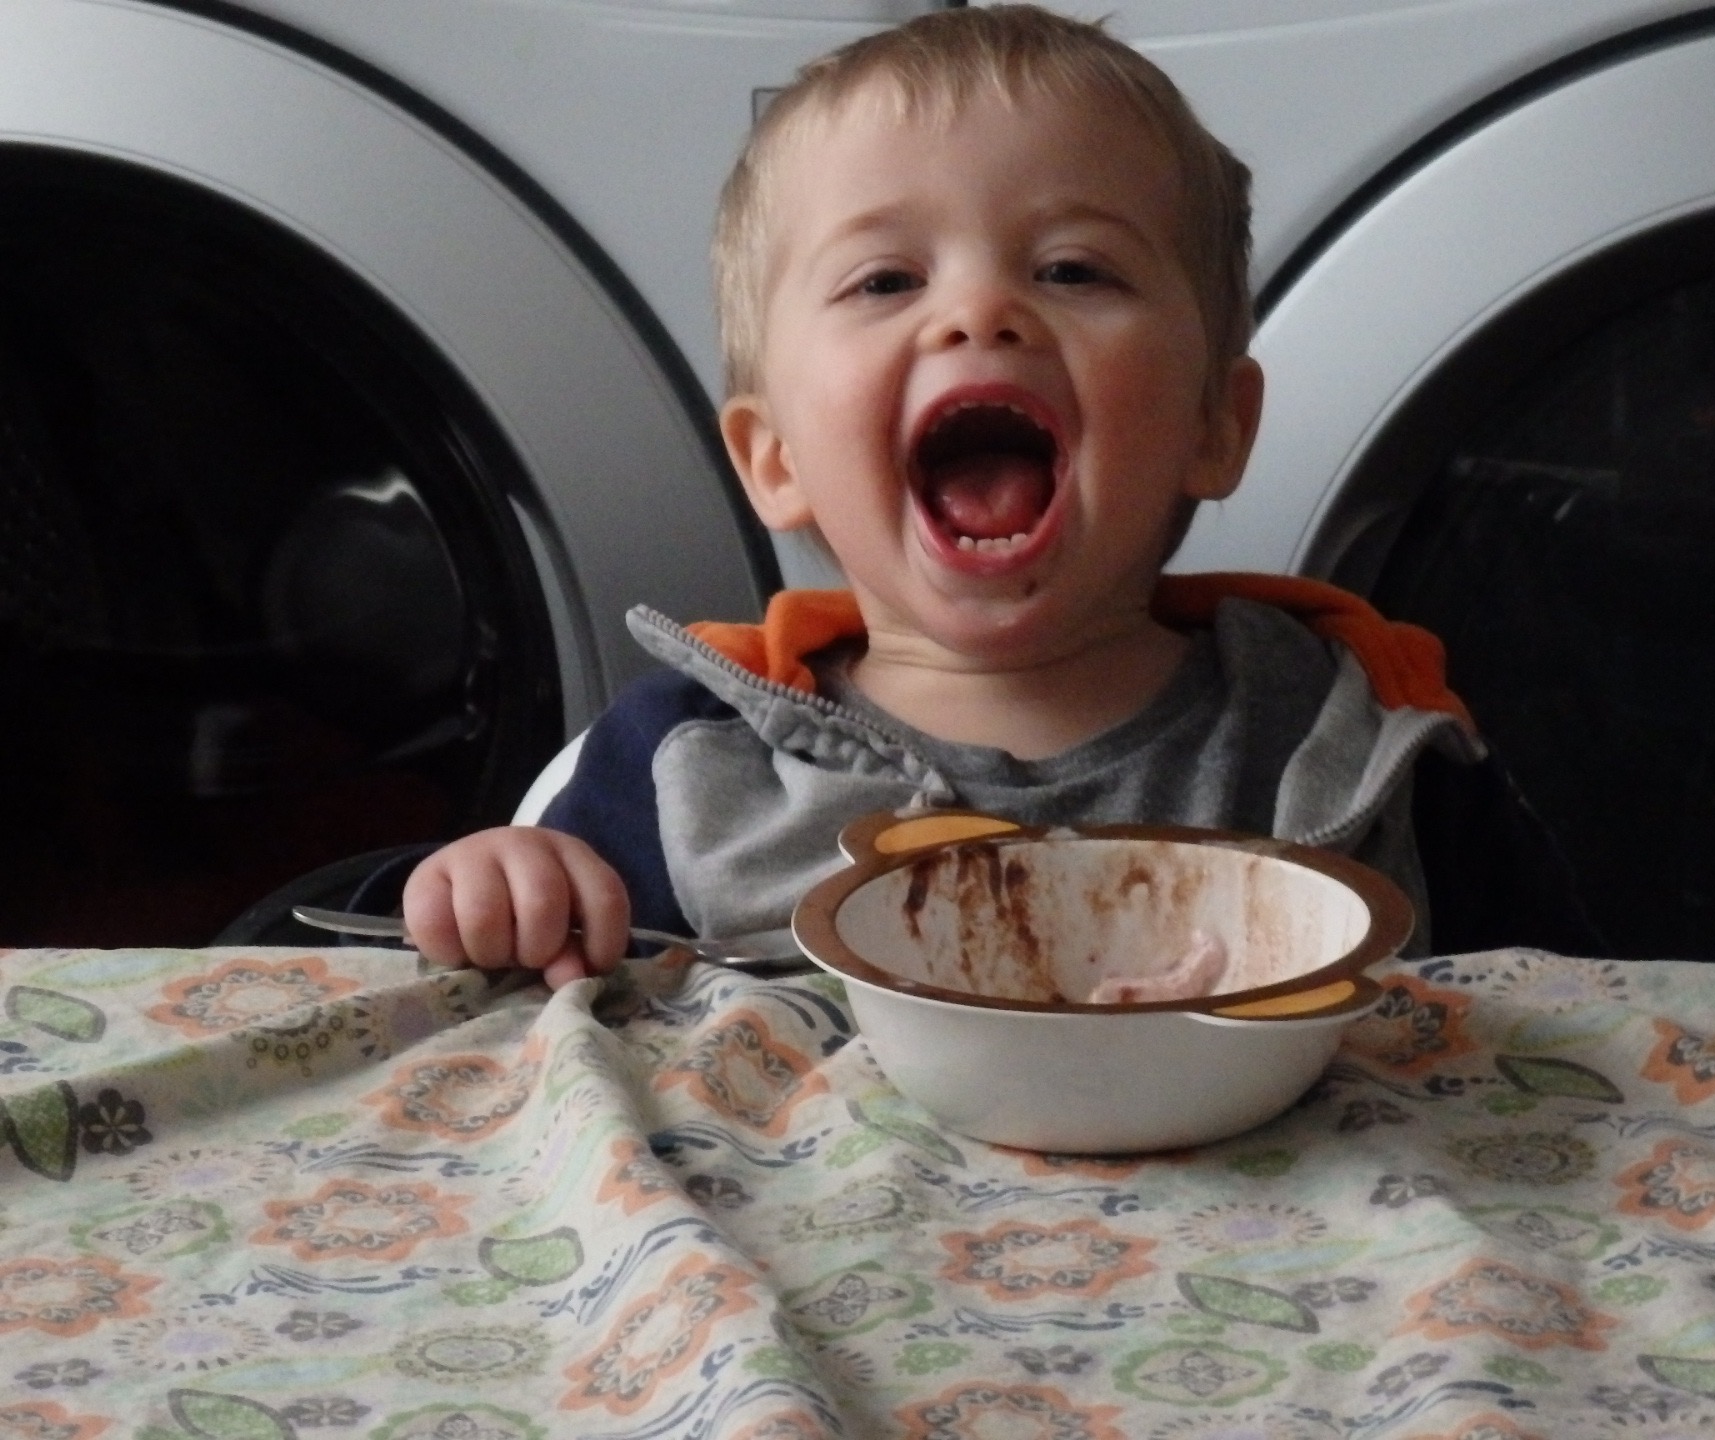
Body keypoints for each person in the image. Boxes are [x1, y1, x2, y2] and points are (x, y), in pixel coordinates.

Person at [399, 5, 1590, 990]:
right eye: (886, 279)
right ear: (775, 461)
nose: (979, 312)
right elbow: (498, 1016)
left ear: (1215, 426)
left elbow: (1569, 1025)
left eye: (1072, 268)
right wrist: (499, 887)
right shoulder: (684, 768)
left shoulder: (1350, 749)